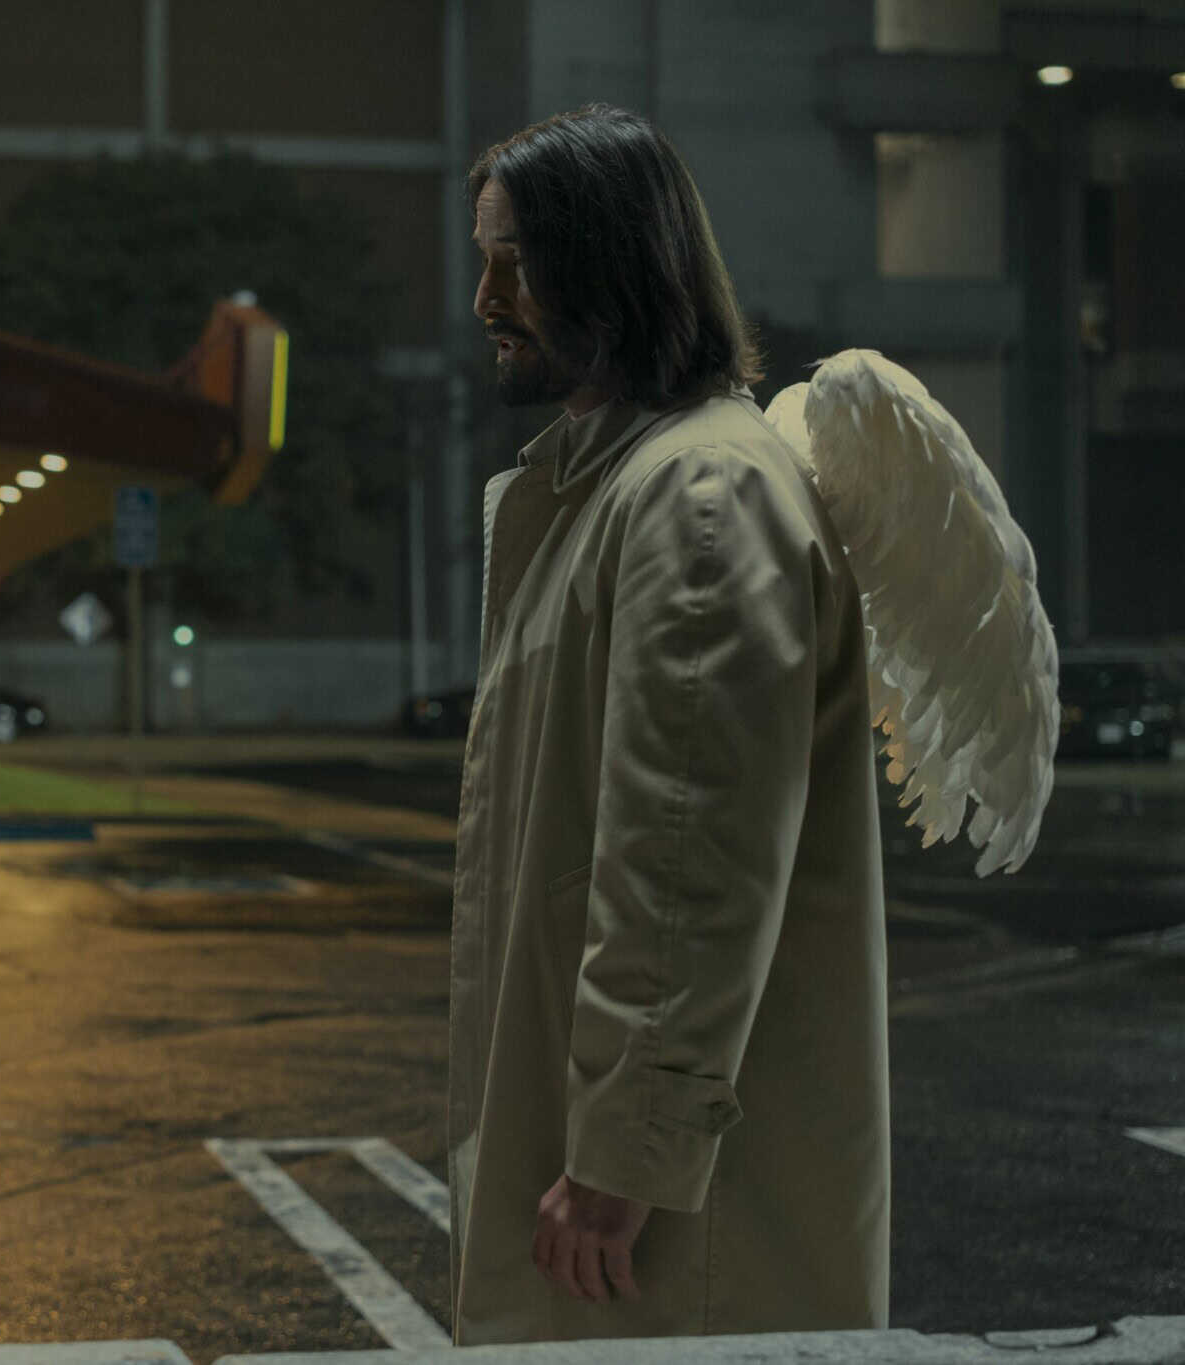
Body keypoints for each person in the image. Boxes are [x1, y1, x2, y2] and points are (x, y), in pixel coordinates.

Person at [448, 104, 887, 1344]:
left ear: (613, 265)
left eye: (515, 260)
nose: (485, 296)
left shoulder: (699, 498)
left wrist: (623, 1156)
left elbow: (687, 856)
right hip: (616, 1182)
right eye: (483, 257)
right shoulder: (614, 487)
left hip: (666, 1221)